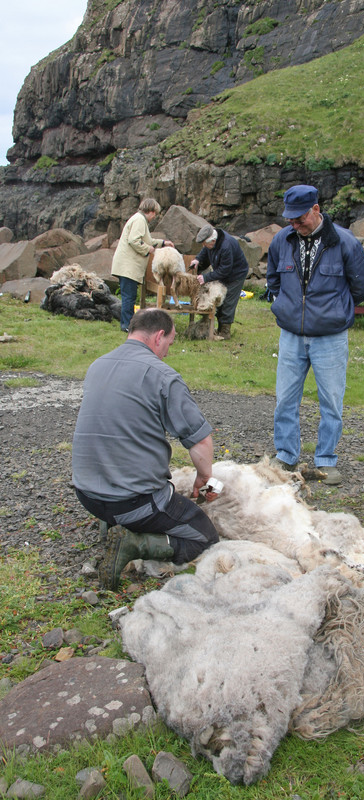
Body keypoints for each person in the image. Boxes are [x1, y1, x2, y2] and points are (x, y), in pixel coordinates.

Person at [72, 308, 219, 589]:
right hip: (133, 500)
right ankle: (134, 543)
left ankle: (113, 522)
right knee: (205, 538)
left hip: (87, 494)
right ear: (159, 337)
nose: (166, 353)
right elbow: (200, 441)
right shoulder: (163, 376)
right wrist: (204, 477)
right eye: (170, 344)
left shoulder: (97, 365)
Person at [266, 184, 364, 485]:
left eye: (300, 218)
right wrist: (286, 305)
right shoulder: (281, 240)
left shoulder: (345, 242)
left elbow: (362, 285)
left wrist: (336, 310)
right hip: (291, 336)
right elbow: (273, 278)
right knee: (285, 398)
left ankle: (326, 460)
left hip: (330, 337)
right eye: (290, 219)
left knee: (331, 401)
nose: (295, 224)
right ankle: (286, 455)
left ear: (316, 209)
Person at [111, 198, 174, 332]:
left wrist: (163, 243)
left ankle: (127, 323)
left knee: (129, 295)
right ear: (151, 211)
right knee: (129, 296)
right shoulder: (139, 220)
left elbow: (148, 240)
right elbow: (134, 240)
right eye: (155, 214)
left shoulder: (139, 220)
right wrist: (149, 249)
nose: (154, 217)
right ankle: (127, 326)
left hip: (128, 266)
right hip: (128, 266)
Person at [189, 223, 249, 339]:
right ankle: (217, 329)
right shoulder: (212, 243)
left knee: (227, 302)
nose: (203, 245)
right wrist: (197, 260)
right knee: (219, 300)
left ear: (212, 240)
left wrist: (206, 278)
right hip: (224, 272)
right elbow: (205, 251)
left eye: (204, 243)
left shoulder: (226, 246)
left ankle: (225, 332)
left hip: (235, 275)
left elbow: (225, 270)